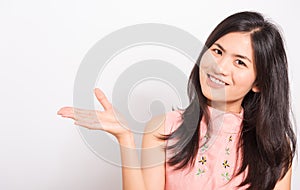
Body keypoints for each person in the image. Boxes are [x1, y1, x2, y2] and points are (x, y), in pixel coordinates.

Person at [57, 11, 296, 190]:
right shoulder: (164, 128)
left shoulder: (274, 147)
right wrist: (125, 137)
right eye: (217, 51)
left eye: (240, 62)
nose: (219, 67)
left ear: (259, 82)